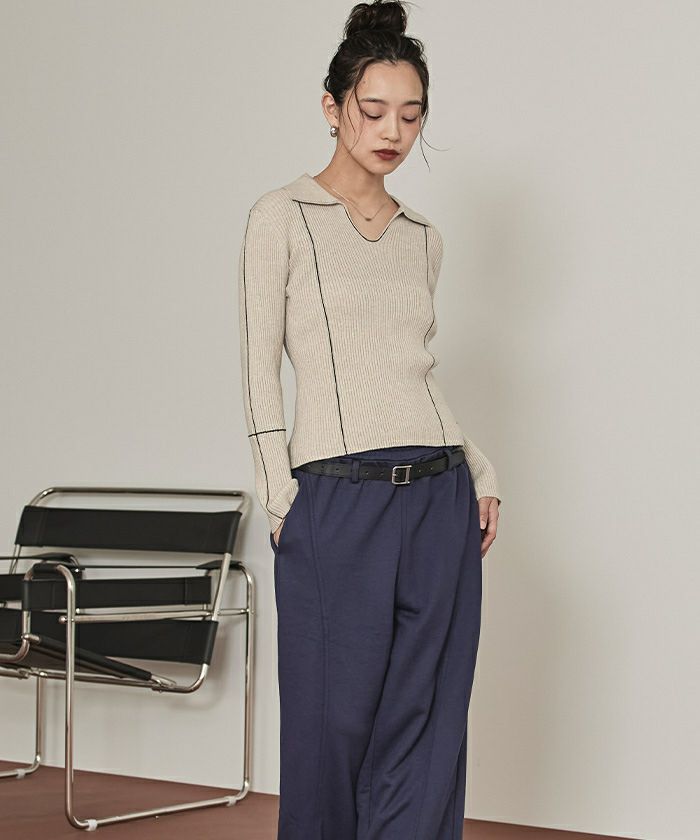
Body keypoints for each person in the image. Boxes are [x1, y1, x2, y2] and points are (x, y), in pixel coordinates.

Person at [238, 2, 501, 837]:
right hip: (336, 497)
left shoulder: (424, 237)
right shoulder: (282, 217)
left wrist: (480, 469)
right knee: (331, 725)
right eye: (374, 109)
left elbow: (411, 369)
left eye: (411, 115)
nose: (393, 131)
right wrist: (282, 497)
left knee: (427, 721)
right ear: (333, 106)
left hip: (439, 494)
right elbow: (258, 367)